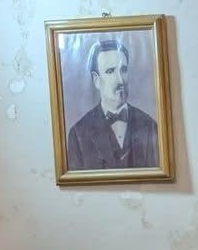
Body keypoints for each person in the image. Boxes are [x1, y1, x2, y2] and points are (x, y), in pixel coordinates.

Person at [66, 36, 162, 171]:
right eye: (110, 71)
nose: (120, 81)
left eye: (123, 70)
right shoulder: (78, 134)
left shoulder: (150, 126)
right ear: (96, 80)